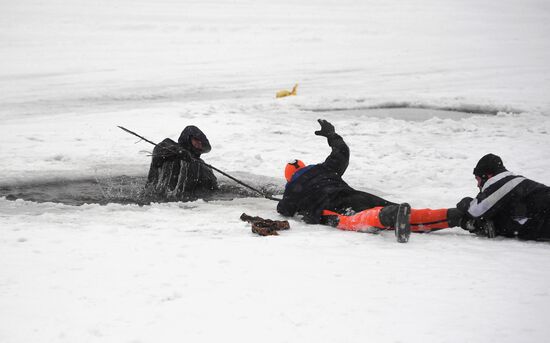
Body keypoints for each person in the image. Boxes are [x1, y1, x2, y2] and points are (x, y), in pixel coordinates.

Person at [277, 119, 462, 237]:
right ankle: (455, 216)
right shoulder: (323, 169)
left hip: (335, 207)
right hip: (357, 195)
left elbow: (284, 209)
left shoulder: (293, 187)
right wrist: (332, 136)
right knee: (403, 212)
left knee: (358, 219)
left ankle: (385, 217)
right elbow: (342, 152)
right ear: (304, 166)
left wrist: (287, 201)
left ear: (289, 178)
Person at [456, 153, 550, 240]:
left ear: (487, 175)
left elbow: (476, 210)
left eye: (478, 179)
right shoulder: (514, 183)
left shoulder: (506, 183)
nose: (478, 184)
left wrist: (465, 202)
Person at [145, 125, 218, 201]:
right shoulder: (169, 146)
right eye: (195, 139)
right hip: (155, 201)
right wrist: (178, 152)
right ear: (188, 138)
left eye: (201, 142)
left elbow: (212, 189)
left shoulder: (202, 166)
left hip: (184, 203)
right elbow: (158, 155)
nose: (199, 142)